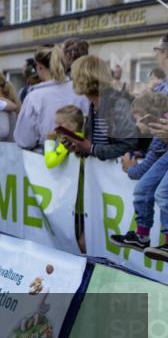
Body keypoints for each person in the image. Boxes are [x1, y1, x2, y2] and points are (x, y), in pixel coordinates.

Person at [113, 90, 168, 255]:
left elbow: (143, 169)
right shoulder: (159, 134)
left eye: (136, 119)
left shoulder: (159, 135)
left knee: (162, 194)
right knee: (142, 189)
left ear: (148, 118)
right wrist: (142, 155)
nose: (135, 125)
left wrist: (129, 168)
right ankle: (142, 236)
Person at [64, 55, 139, 162]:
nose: (72, 82)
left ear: (83, 78)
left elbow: (128, 146)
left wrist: (91, 148)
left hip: (119, 176)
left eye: (73, 77)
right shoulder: (94, 105)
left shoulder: (117, 103)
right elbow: (97, 147)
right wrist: (79, 147)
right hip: (104, 176)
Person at [14, 45, 89, 150]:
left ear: (39, 66)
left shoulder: (34, 98)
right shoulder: (80, 90)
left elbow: (24, 140)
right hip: (79, 155)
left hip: (46, 158)